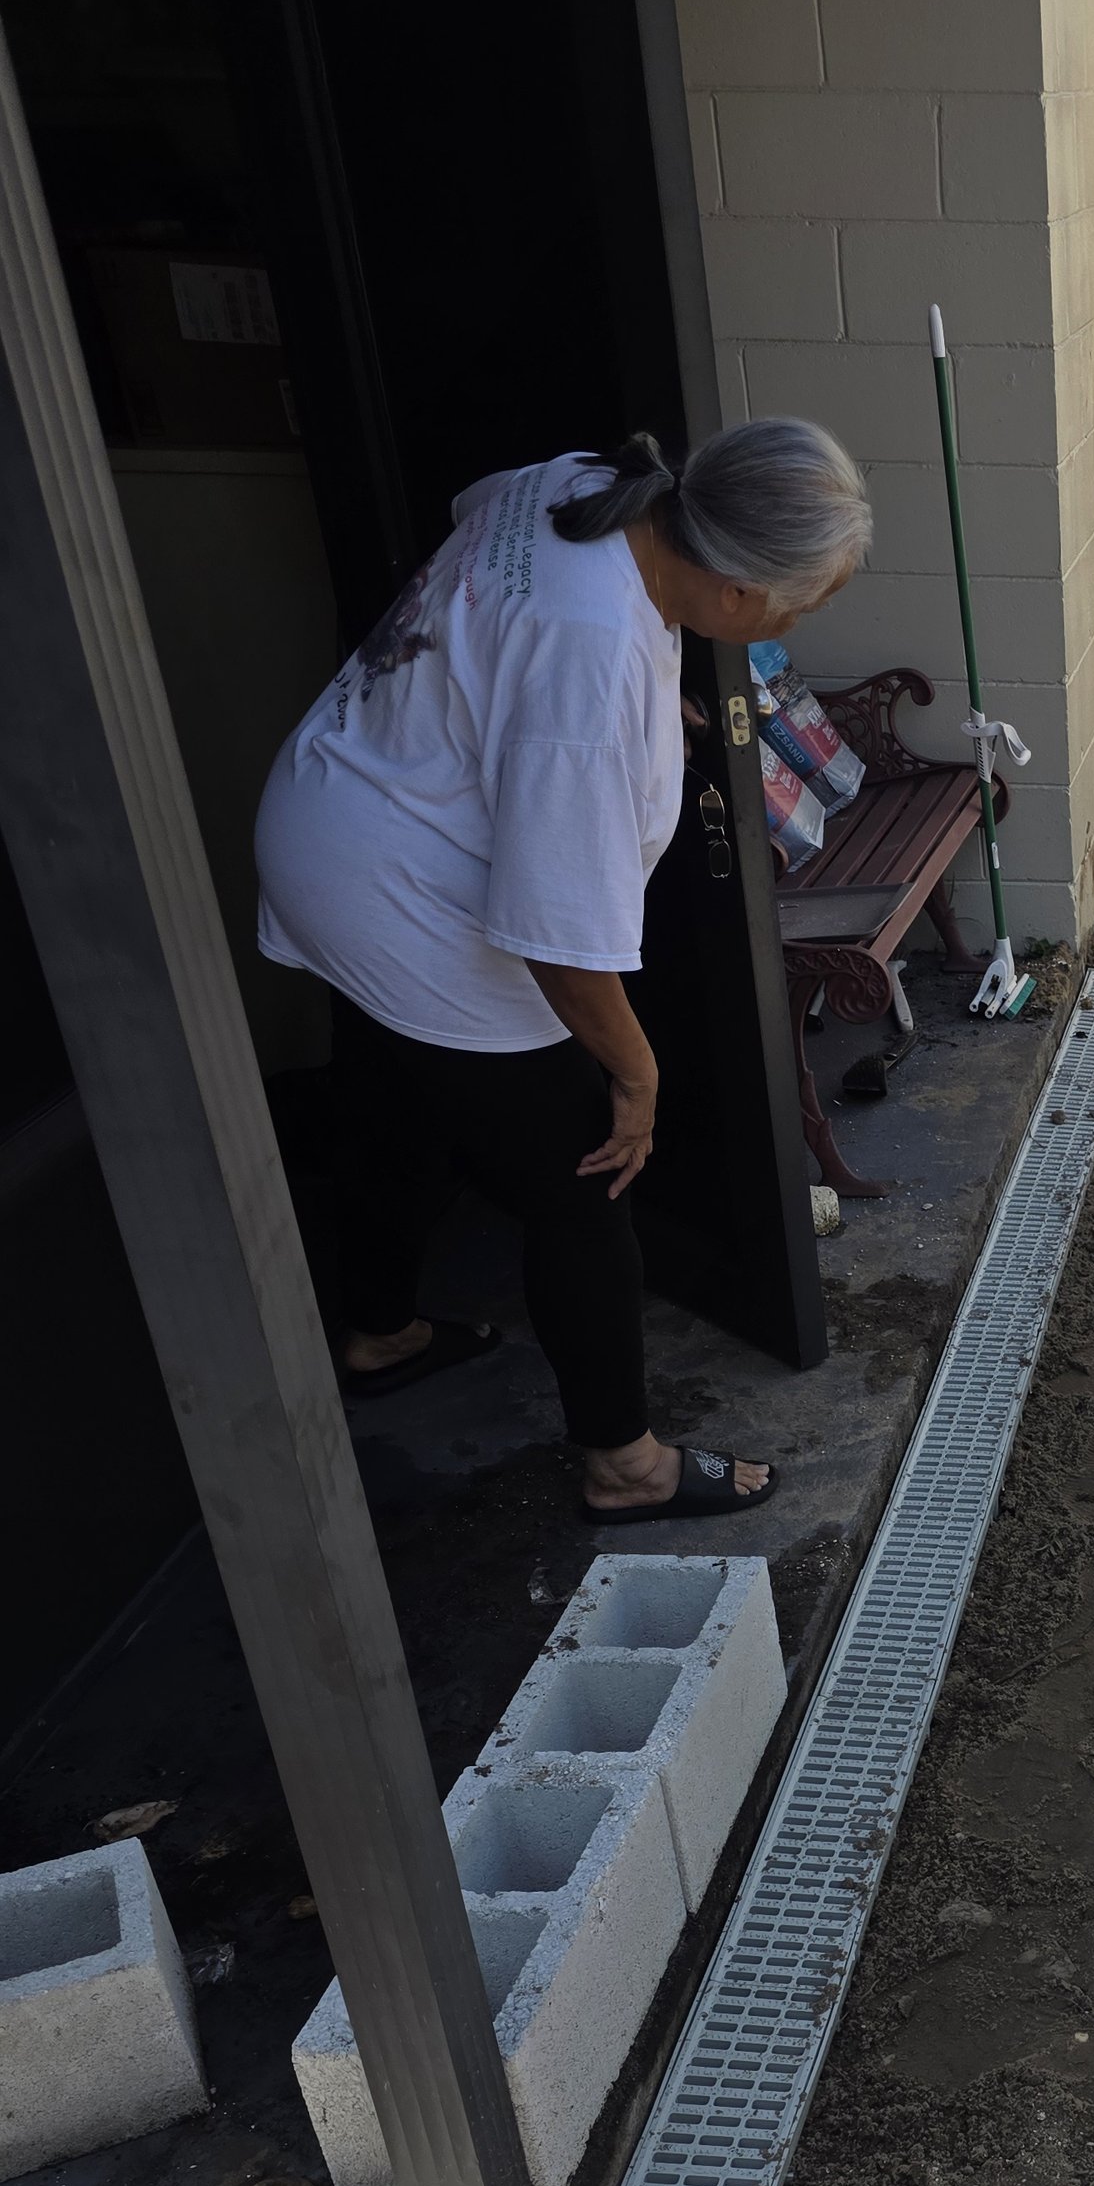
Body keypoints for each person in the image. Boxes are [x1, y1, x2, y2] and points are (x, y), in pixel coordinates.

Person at [255, 421, 871, 1522]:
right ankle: (624, 1465)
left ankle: (380, 1331)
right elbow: (554, 937)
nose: (791, 625)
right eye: (797, 604)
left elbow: (478, 540)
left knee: (396, 1093)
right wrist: (635, 1081)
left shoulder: (587, 484)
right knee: (583, 1181)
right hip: (406, 897)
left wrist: (612, 705)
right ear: (733, 590)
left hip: (336, 808)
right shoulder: (593, 665)